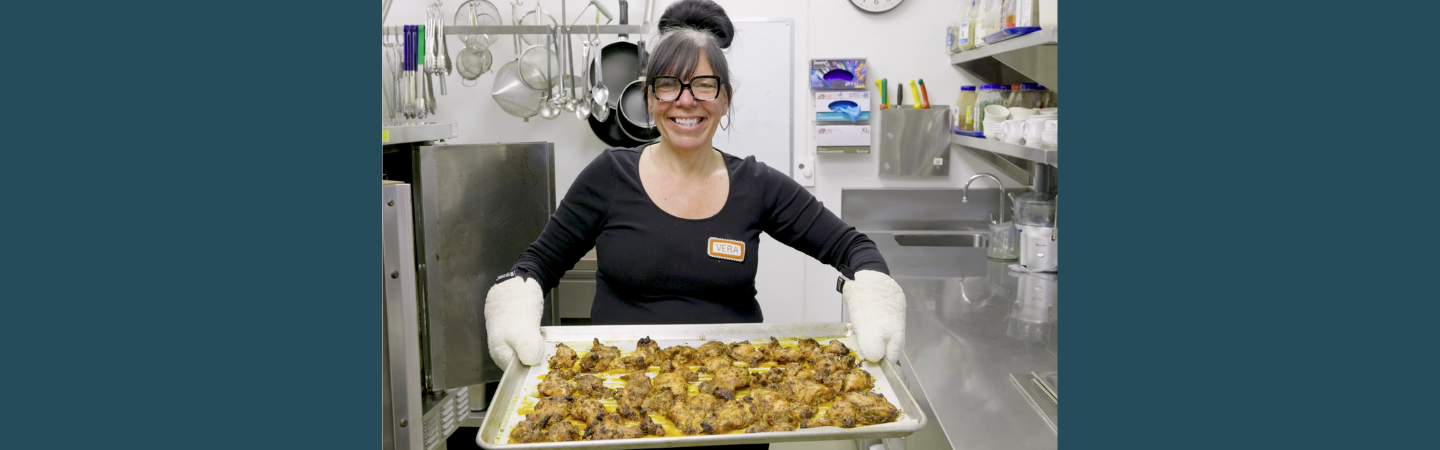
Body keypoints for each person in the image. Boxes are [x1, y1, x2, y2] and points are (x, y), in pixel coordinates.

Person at [484, 0, 905, 447]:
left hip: (734, 414)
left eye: (704, 85)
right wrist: (512, 299)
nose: (686, 100)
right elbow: (535, 264)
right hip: (619, 412)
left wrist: (874, 293)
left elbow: (853, 247)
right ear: (650, 98)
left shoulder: (756, 185)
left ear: (724, 99)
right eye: (668, 86)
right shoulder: (609, 177)